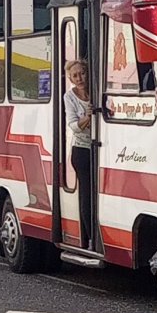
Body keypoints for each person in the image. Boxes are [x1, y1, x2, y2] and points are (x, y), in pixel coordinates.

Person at [64, 60, 93, 249]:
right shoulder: (69, 97)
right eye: (75, 75)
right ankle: (90, 238)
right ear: (70, 79)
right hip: (82, 151)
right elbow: (73, 125)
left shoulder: (97, 89)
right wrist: (88, 118)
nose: (79, 78)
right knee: (86, 195)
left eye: (82, 73)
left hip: (102, 148)